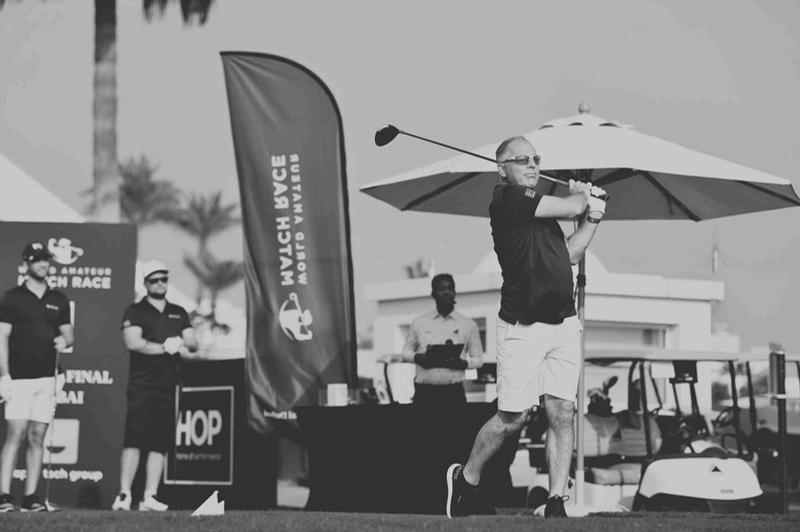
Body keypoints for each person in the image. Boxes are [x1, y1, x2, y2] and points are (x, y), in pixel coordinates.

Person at [445, 136, 607, 518]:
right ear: (502, 169)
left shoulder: (541, 210)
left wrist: (594, 216)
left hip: (563, 323)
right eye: (522, 160)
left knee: (562, 411)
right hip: (522, 326)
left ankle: (556, 501)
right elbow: (571, 205)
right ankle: (466, 477)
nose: (532, 165)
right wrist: (583, 195)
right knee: (512, 418)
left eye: (536, 158)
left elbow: (571, 253)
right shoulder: (507, 199)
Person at [111, 260, 197, 512]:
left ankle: (150, 496)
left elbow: (193, 343)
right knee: (134, 440)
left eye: (163, 279)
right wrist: (164, 347)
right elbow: (133, 342)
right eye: (154, 280)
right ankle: (124, 495)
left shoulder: (178, 311)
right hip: (142, 385)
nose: (160, 284)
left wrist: (180, 342)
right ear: (146, 283)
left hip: (168, 386)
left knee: (160, 443)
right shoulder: (135, 310)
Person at [0, 242, 73, 512]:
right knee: (15, 434)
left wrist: (64, 341)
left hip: (47, 378)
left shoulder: (59, 299)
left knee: (37, 435)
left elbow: (69, 335)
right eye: (37, 260)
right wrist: (4, 375)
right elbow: (2, 337)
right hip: (19, 378)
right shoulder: (12, 298)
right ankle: (3, 496)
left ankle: (31, 498)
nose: (43, 264)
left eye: (46, 260)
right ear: (26, 264)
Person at [398, 274, 483, 406]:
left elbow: (478, 360)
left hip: (454, 393)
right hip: (424, 394)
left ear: (455, 293)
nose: (446, 292)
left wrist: (462, 364)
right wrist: (418, 358)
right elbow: (405, 352)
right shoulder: (420, 322)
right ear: (433, 294)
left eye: (450, 288)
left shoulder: (468, 324)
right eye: (442, 289)